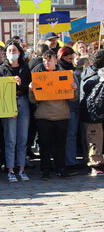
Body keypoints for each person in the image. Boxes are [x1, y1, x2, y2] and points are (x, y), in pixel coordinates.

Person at [29, 50, 78, 180]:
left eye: (49, 60)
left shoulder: (65, 75)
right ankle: (45, 170)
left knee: (60, 144)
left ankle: (61, 169)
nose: (47, 63)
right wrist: (31, 90)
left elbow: (73, 99)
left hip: (62, 115)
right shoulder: (39, 76)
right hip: (44, 116)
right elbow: (33, 100)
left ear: (56, 60)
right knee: (45, 145)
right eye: (44, 60)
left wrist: (73, 89)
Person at [0, 41, 31, 182]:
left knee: (22, 138)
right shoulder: (1, 70)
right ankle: (10, 169)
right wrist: (9, 84)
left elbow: (30, 88)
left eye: (14, 50)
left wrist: (22, 84)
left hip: (23, 102)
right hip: (8, 103)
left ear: (19, 52)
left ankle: (21, 168)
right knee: (10, 139)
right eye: (9, 51)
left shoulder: (25, 68)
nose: (12, 53)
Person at [80, 50, 104, 176]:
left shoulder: (88, 72)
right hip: (93, 114)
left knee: (95, 139)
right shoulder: (96, 77)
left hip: (91, 113)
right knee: (94, 139)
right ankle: (94, 165)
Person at [57, 47, 80, 170]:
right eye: (69, 56)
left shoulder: (72, 69)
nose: (71, 58)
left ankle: (71, 159)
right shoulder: (60, 70)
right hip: (66, 107)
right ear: (63, 57)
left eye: (72, 56)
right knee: (68, 135)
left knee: (72, 135)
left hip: (73, 107)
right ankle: (69, 161)